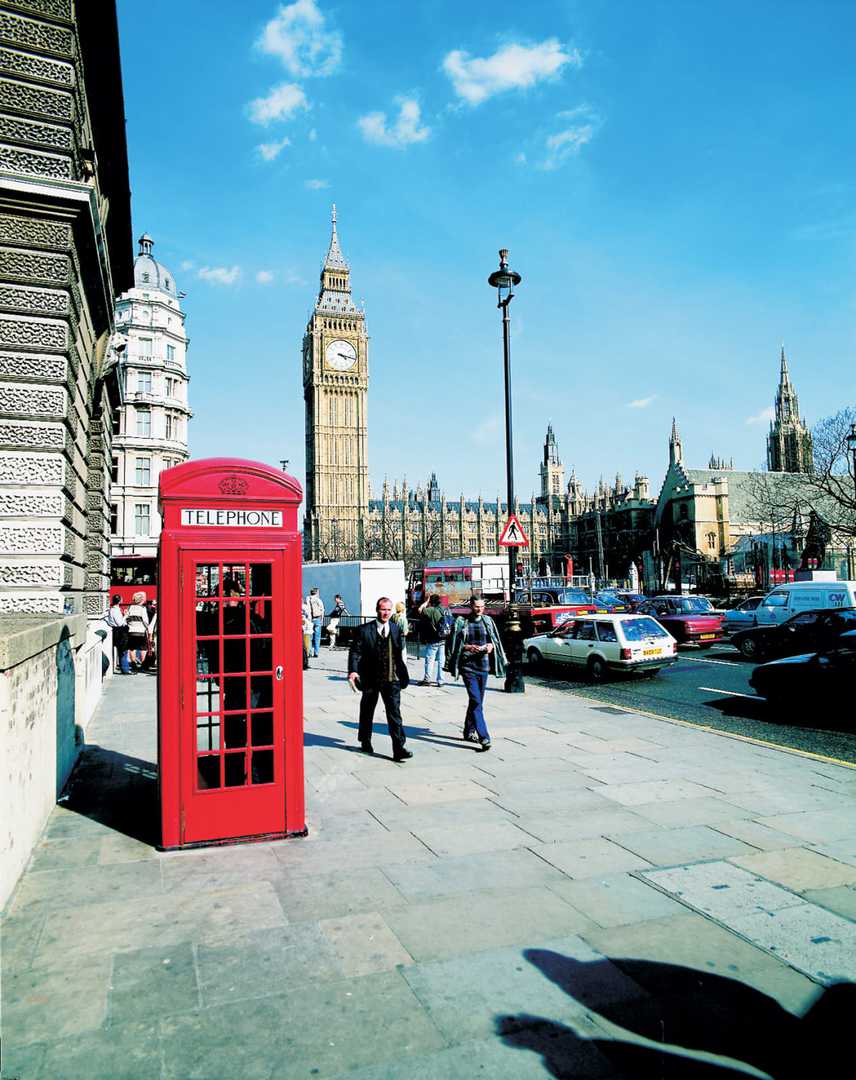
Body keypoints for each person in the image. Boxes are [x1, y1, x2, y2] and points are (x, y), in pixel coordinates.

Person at [348, 597, 412, 762]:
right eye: (383, 609)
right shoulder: (364, 630)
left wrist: (403, 673)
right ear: (377, 610)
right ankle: (365, 740)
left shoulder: (396, 629)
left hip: (392, 679)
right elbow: (355, 652)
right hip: (370, 678)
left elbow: (399, 654)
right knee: (367, 711)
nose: (386, 613)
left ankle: (398, 748)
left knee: (395, 714)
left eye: (388, 610)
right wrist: (353, 671)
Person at [448, 595, 507, 751]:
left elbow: (495, 641)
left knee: (477, 701)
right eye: (476, 606)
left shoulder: (488, 621)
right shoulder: (462, 622)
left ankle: (468, 731)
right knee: (476, 700)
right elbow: (454, 644)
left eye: (482, 606)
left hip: (484, 666)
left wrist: (490, 647)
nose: (479, 609)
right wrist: (467, 647)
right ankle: (484, 737)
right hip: (467, 666)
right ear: (471, 606)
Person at [418, 594, 447, 687]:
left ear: (431, 602)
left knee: (430, 659)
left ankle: (427, 679)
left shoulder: (431, 610)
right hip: (443, 638)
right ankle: (441, 681)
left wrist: (426, 602)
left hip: (433, 639)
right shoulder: (445, 609)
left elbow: (420, 610)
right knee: (441, 660)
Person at [125, 590, 151, 672]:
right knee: (143, 648)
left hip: (131, 631)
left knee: (132, 648)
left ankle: (133, 665)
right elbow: (145, 621)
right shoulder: (143, 609)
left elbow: (127, 619)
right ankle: (143, 665)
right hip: (141, 631)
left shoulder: (129, 607)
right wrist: (148, 628)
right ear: (141, 600)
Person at [105, 594, 130, 675]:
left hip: (116, 631)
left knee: (121, 650)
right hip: (120, 632)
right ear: (119, 601)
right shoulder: (115, 610)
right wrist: (125, 616)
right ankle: (125, 669)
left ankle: (124, 668)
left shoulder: (112, 609)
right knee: (123, 651)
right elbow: (119, 623)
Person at [307, 587, 324, 657]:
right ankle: (316, 653)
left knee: (310, 637)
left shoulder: (308, 599)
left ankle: (310, 652)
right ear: (316, 593)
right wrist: (322, 619)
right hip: (317, 619)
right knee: (317, 637)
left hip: (310, 620)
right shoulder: (318, 600)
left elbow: (307, 610)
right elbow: (322, 610)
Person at [302, 601, 312, 669]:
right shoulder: (305, 607)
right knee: (304, 646)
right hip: (304, 628)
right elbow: (309, 617)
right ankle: (305, 663)